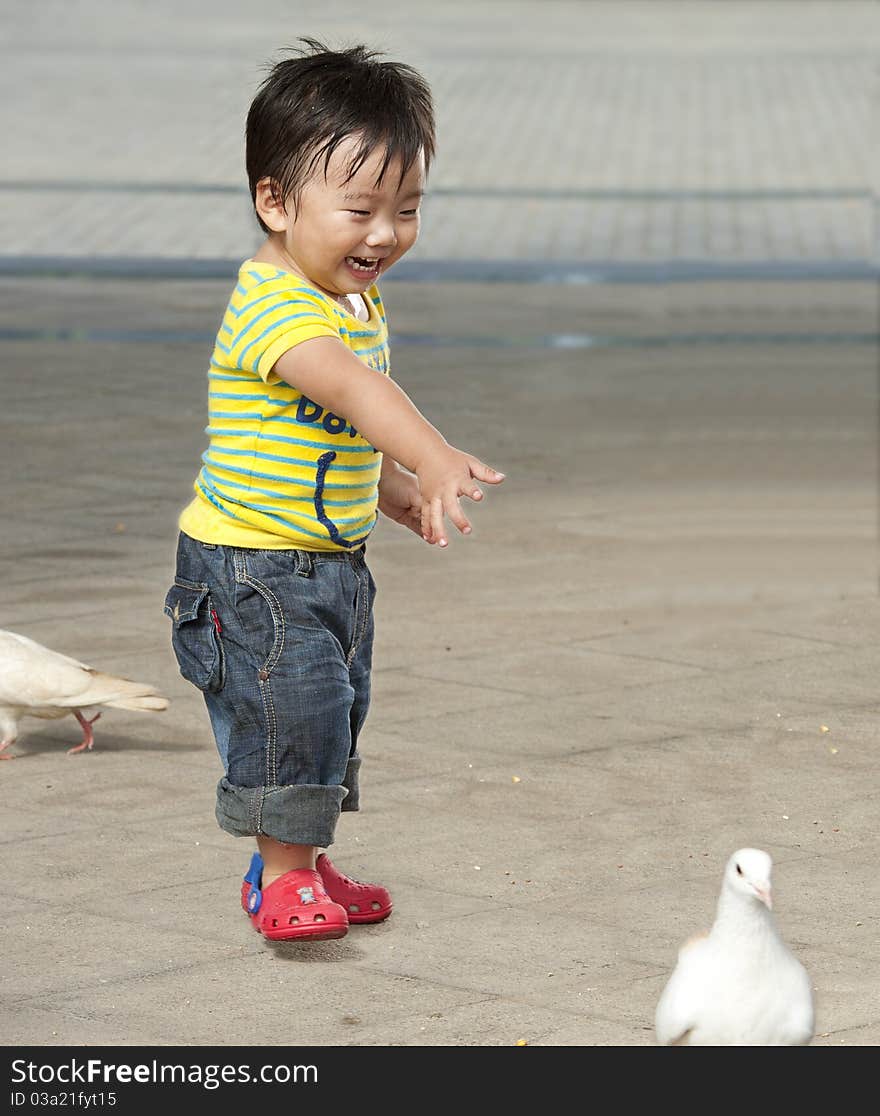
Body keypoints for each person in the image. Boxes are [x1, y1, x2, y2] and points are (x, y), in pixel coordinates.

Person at [164, 40, 504, 943]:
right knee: (289, 712)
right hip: (252, 569)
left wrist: (388, 487)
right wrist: (431, 455)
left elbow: (334, 431)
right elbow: (356, 394)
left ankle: (302, 865)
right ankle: (278, 879)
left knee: (332, 714)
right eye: (360, 210)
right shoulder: (273, 306)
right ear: (274, 201)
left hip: (328, 563)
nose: (384, 234)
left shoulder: (353, 299)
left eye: (407, 209)